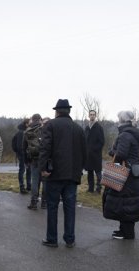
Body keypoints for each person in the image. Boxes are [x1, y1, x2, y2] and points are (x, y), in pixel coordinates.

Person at [40, 99, 86, 248]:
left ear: (57, 111)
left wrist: (43, 168)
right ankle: (70, 239)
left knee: (52, 206)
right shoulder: (78, 129)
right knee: (70, 207)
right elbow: (84, 152)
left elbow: (45, 148)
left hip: (55, 174)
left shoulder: (50, 125)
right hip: (72, 174)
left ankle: (52, 239)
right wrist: (80, 169)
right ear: (69, 111)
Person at [103, 110, 139, 240]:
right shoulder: (132, 133)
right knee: (128, 202)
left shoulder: (124, 135)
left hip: (126, 174)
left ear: (122, 121)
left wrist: (112, 151)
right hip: (133, 172)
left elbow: (121, 154)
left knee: (125, 202)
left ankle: (127, 233)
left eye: (118, 119)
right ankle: (124, 230)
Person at [23, 114, 43, 209]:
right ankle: (44, 203)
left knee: (34, 181)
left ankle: (34, 202)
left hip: (33, 159)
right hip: (44, 159)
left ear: (32, 120)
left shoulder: (27, 131)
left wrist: (26, 161)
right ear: (40, 119)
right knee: (45, 181)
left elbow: (24, 147)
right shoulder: (44, 129)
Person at [84, 110, 105, 193]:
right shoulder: (87, 128)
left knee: (98, 172)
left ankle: (99, 188)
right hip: (88, 155)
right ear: (89, 116)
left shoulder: (99, 127)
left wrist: (94, 149)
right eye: (91, 114)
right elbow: (84, 140)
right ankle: (90, 188)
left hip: (96, 155)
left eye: (93, 115)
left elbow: (101, 142)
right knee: (89, 172)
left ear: (95, 116)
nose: (92, 116)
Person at [11, 118, 31, 194]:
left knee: (29, 171)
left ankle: (29, 187)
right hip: (23, 155)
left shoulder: (25, 131)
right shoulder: (21, 132)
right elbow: (18, 145)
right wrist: (20, 153)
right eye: (29, 123)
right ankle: (22, 187)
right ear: (26, 124)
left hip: (27, 155)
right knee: (22, 170)